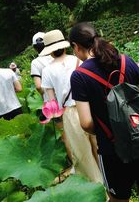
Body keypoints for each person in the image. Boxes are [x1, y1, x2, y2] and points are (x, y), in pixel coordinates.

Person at [69, 22, 139, 202]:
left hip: (112, 150)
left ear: (76, 47)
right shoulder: (125, 60)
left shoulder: (79, 76)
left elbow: (86, 123)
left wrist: (109, 129)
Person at [40, 29, 102, 183]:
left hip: (70, 112)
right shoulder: (77, 60)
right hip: (90, 107)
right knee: (98, 146)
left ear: (49, 51)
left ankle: (98, 186)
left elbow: (52, 100)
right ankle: (109, 180)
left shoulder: (47, 70)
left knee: (82, 153)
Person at [30, 32, 53, 98]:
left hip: (50, 100)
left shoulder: (35, 62)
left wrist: (44, 95)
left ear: (34, 47)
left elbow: (38, 86)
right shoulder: (56, 57)